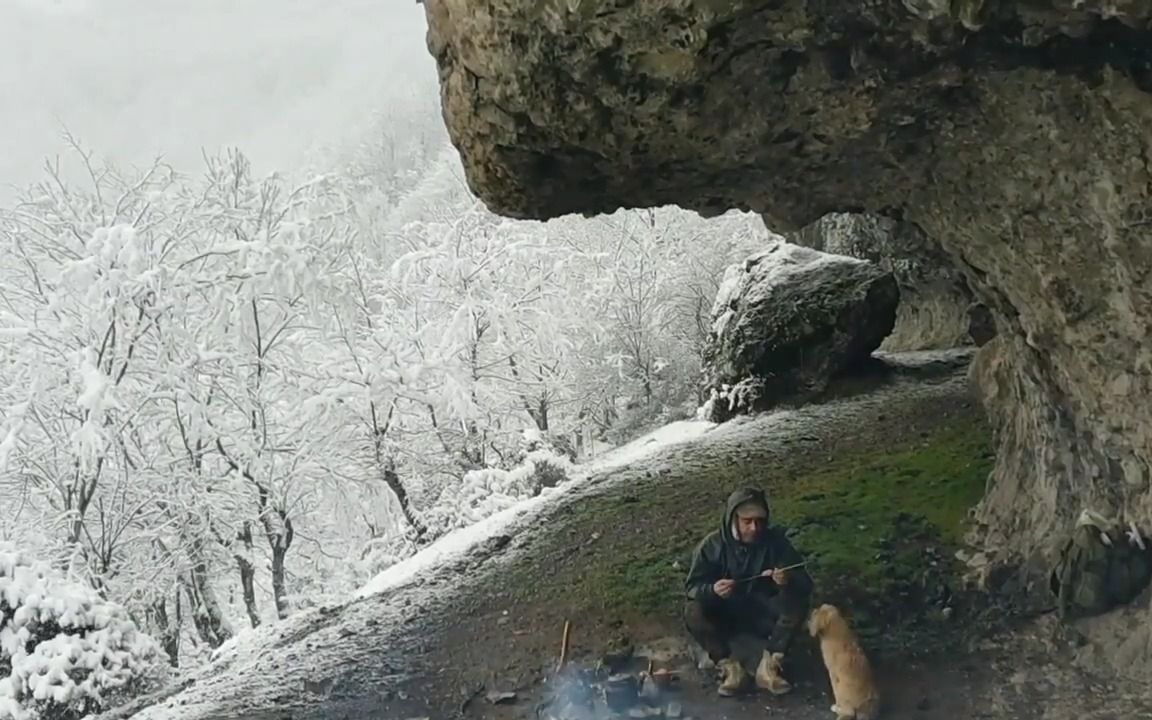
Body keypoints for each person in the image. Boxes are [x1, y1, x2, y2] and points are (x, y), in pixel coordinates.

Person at [683, 487, 814, 697]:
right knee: (693, 610)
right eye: (747, 521)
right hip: (725, 613)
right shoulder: (712, 545)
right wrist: (712, 590)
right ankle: (730, 667)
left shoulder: (777, 544)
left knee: (796, 602)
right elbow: (692, 587)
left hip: (763, 613)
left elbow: (805, 584)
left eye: (759, 521)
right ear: (733, 519)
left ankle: (769, 665)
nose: (754, 528)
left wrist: (787, 580)